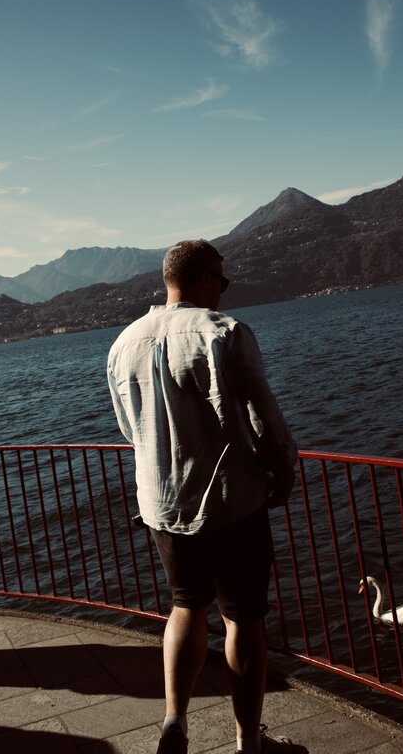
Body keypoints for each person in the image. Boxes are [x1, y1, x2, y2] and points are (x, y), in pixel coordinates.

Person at [107, 239, 297, 754]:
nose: (223, 290)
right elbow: (262, 413)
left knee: (185, 606)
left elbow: (129, 427)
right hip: (229, 501)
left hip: (163, 505)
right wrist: (282, 467)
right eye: (222, 280)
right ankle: (249, 743)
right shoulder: (223, 332)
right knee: (243, 620)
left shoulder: (124, 342)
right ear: (206, 278)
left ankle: (175, 724)